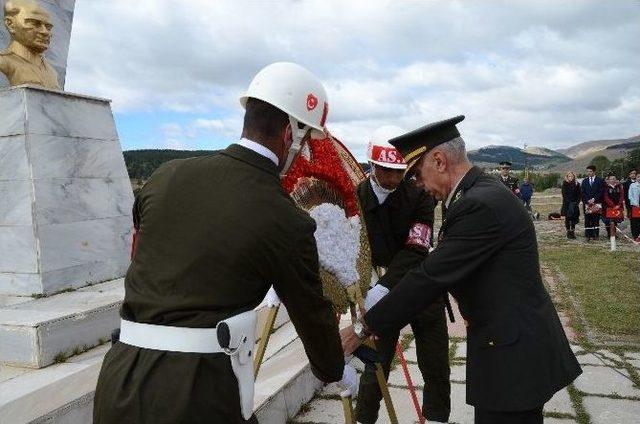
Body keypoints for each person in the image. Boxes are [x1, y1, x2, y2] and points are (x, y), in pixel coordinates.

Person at [93, 63, 347, 424]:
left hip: (118, 379)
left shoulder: (165, 176)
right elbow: (312, 315)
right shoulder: (285, 219)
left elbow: (141, 255)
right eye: (305, 143)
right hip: (197, 394)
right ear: (291, 135)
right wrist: (334, 367)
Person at [341, 115, 581, 424]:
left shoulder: (478, 204)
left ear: (439, 161)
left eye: (417, 174)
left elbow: (431, 276)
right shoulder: (476, 194)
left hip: (513, 357)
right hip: (508, 346)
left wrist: (362, 328)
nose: (416, 185)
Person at [355, 126, 450, 424]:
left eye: (400, 171)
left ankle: (436, 419)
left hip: (421, 283)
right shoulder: (355, 196)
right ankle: (364, 419)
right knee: (376, 362)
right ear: (372, 166)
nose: (394, 178)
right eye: (386, 171)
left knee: (435, 361)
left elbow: (417, 246)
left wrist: (383, 287)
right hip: (376, 285)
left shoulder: (420, 194)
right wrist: (367, 283)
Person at [0, 0, 60, 89]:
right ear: (10, 24)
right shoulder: (3, 62)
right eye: (35, 23)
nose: (45, 32)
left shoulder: (52, 72)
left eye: (48, 27)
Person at [580, 165, 604, 241]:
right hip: (587, 204)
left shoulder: (599, 180)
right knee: (587, 220)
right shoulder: (584, 181)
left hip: (596, 203)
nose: (588, 173)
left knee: (596, 219)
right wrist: (587, 200)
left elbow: (601, 191)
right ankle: (588, 235)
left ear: (594, 172)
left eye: (590, 171)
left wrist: (594, 199)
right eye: (587, 171)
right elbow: (583, 193)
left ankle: (595, 235)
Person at [602, 173, 625, 238]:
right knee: (608, 221)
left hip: (617, 207)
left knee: (615, 221)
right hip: (608, 207)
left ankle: (614, 234)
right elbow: (606, 197)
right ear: (608, 180)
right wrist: (612, 205)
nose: (612, 180)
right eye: (611, 179)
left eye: (613, 179)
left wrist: (618, 204)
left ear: (616, 179)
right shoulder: (606, 187)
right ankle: (609, 234)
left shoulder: (619, 186)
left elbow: (621, 196)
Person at [561, 172, 581, 239]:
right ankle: (568, 232)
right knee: (567, 218)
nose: (570, 177)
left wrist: (577, 202)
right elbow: (564, 194)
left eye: (571, 176)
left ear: (574, 176)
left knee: (573, 219)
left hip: (574, 204)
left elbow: (579, 194)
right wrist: (569, 202)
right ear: (567, 177)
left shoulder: (577, 184)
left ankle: (572, 232)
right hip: (567, 204)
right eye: (569, 176)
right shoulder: (565, 184)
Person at [629, 177, 640, 241]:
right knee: (635, 222)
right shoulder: (632, 185)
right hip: (635, 206)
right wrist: (636, 204)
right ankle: (636, 236)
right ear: (636, 178)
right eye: (638, 177)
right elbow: (630, 196)